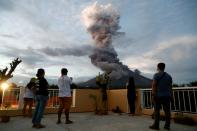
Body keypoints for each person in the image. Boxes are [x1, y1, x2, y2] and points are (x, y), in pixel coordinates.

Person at [149, 63, 172, 130]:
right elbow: (170, 87)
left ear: (158, 67)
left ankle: (156, 125)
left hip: (158, 96)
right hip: (167, 96)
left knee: (157, 111)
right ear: (164, 67)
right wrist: (171, 95)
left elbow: (154, 85)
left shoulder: (156, 75)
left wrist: (153, 95)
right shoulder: (169, 76)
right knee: (167, 111)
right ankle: (167, 126)